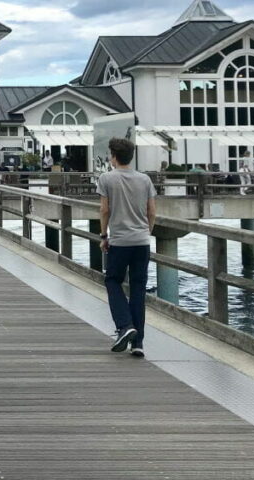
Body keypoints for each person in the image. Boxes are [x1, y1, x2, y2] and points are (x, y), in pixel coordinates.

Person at [98, 137, 156, 358]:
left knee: (112, 281)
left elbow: (104, 210)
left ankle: (124, 326)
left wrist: (104, 235)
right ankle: (138, 343)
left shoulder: (106, 179)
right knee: (139, 289)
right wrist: (146, 232)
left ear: (113, 156)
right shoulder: (145, 180)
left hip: (120, 241)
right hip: (141, 241)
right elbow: (152, 211)